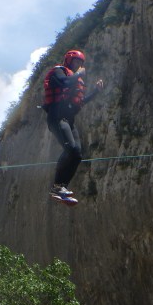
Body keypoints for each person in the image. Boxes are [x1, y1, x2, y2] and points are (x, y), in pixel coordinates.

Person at [42, 49, 103, 205]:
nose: (78, 65)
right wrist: (78, 75)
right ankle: (56, 187)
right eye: (76, 62)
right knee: (70, 149)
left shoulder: (75, 79)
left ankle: (62, 187)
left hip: (69, 119)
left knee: (77, 155)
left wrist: (96, 91)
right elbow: (64, 83)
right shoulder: (58, 71)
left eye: (80, 63)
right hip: (56, 116)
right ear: (68, 61)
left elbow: (80, 102)